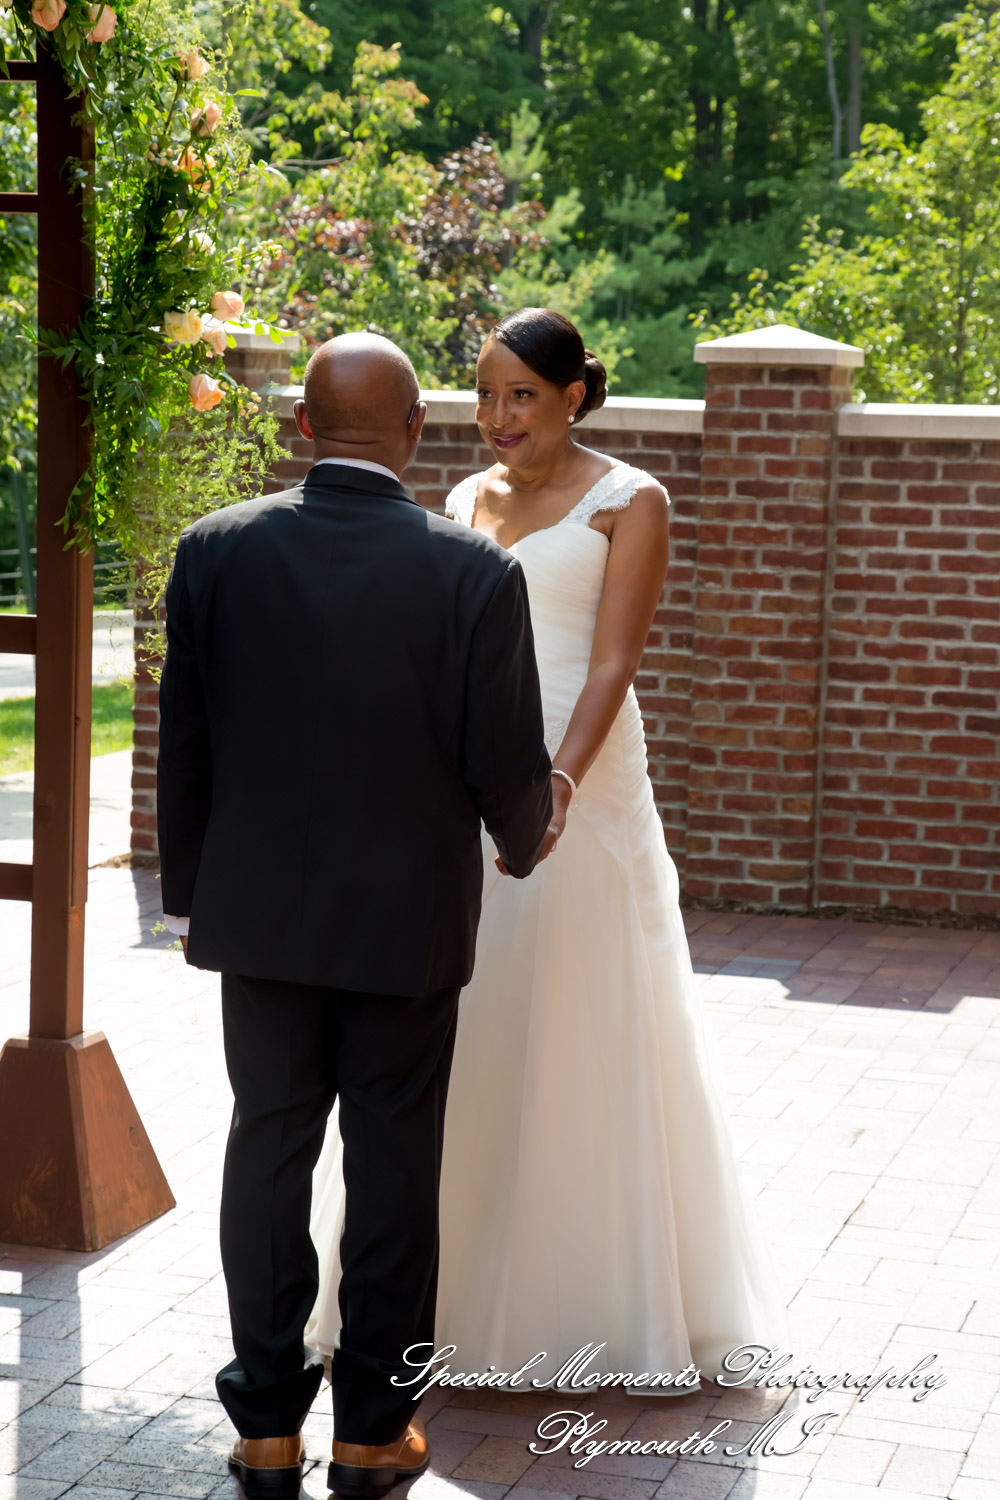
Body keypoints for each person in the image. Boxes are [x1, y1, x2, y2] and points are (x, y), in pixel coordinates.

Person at [309, 307, 788, 1390]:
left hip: (585, 784)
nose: (497, 418)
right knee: (462, 1026)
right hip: (460, 786)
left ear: (574, 395)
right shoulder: (458, 504)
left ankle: (590, 1302)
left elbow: (616, 663)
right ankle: (441, 1299)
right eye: (483, 396)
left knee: (579, 1021)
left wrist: (558, 784)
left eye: (520, 394)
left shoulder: (632, 501)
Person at [156, 332, 553, 1498]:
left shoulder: (215, 550)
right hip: (407, 929)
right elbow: (504, 767)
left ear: (299, 430)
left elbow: (187, 747)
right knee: (391, 1168)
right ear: (420, 432)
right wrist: (528, 839)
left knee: (267, 1151)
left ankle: (265, 1424)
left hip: (263, 926)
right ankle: (376, 1431)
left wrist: (194, 900)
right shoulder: (473, 572)